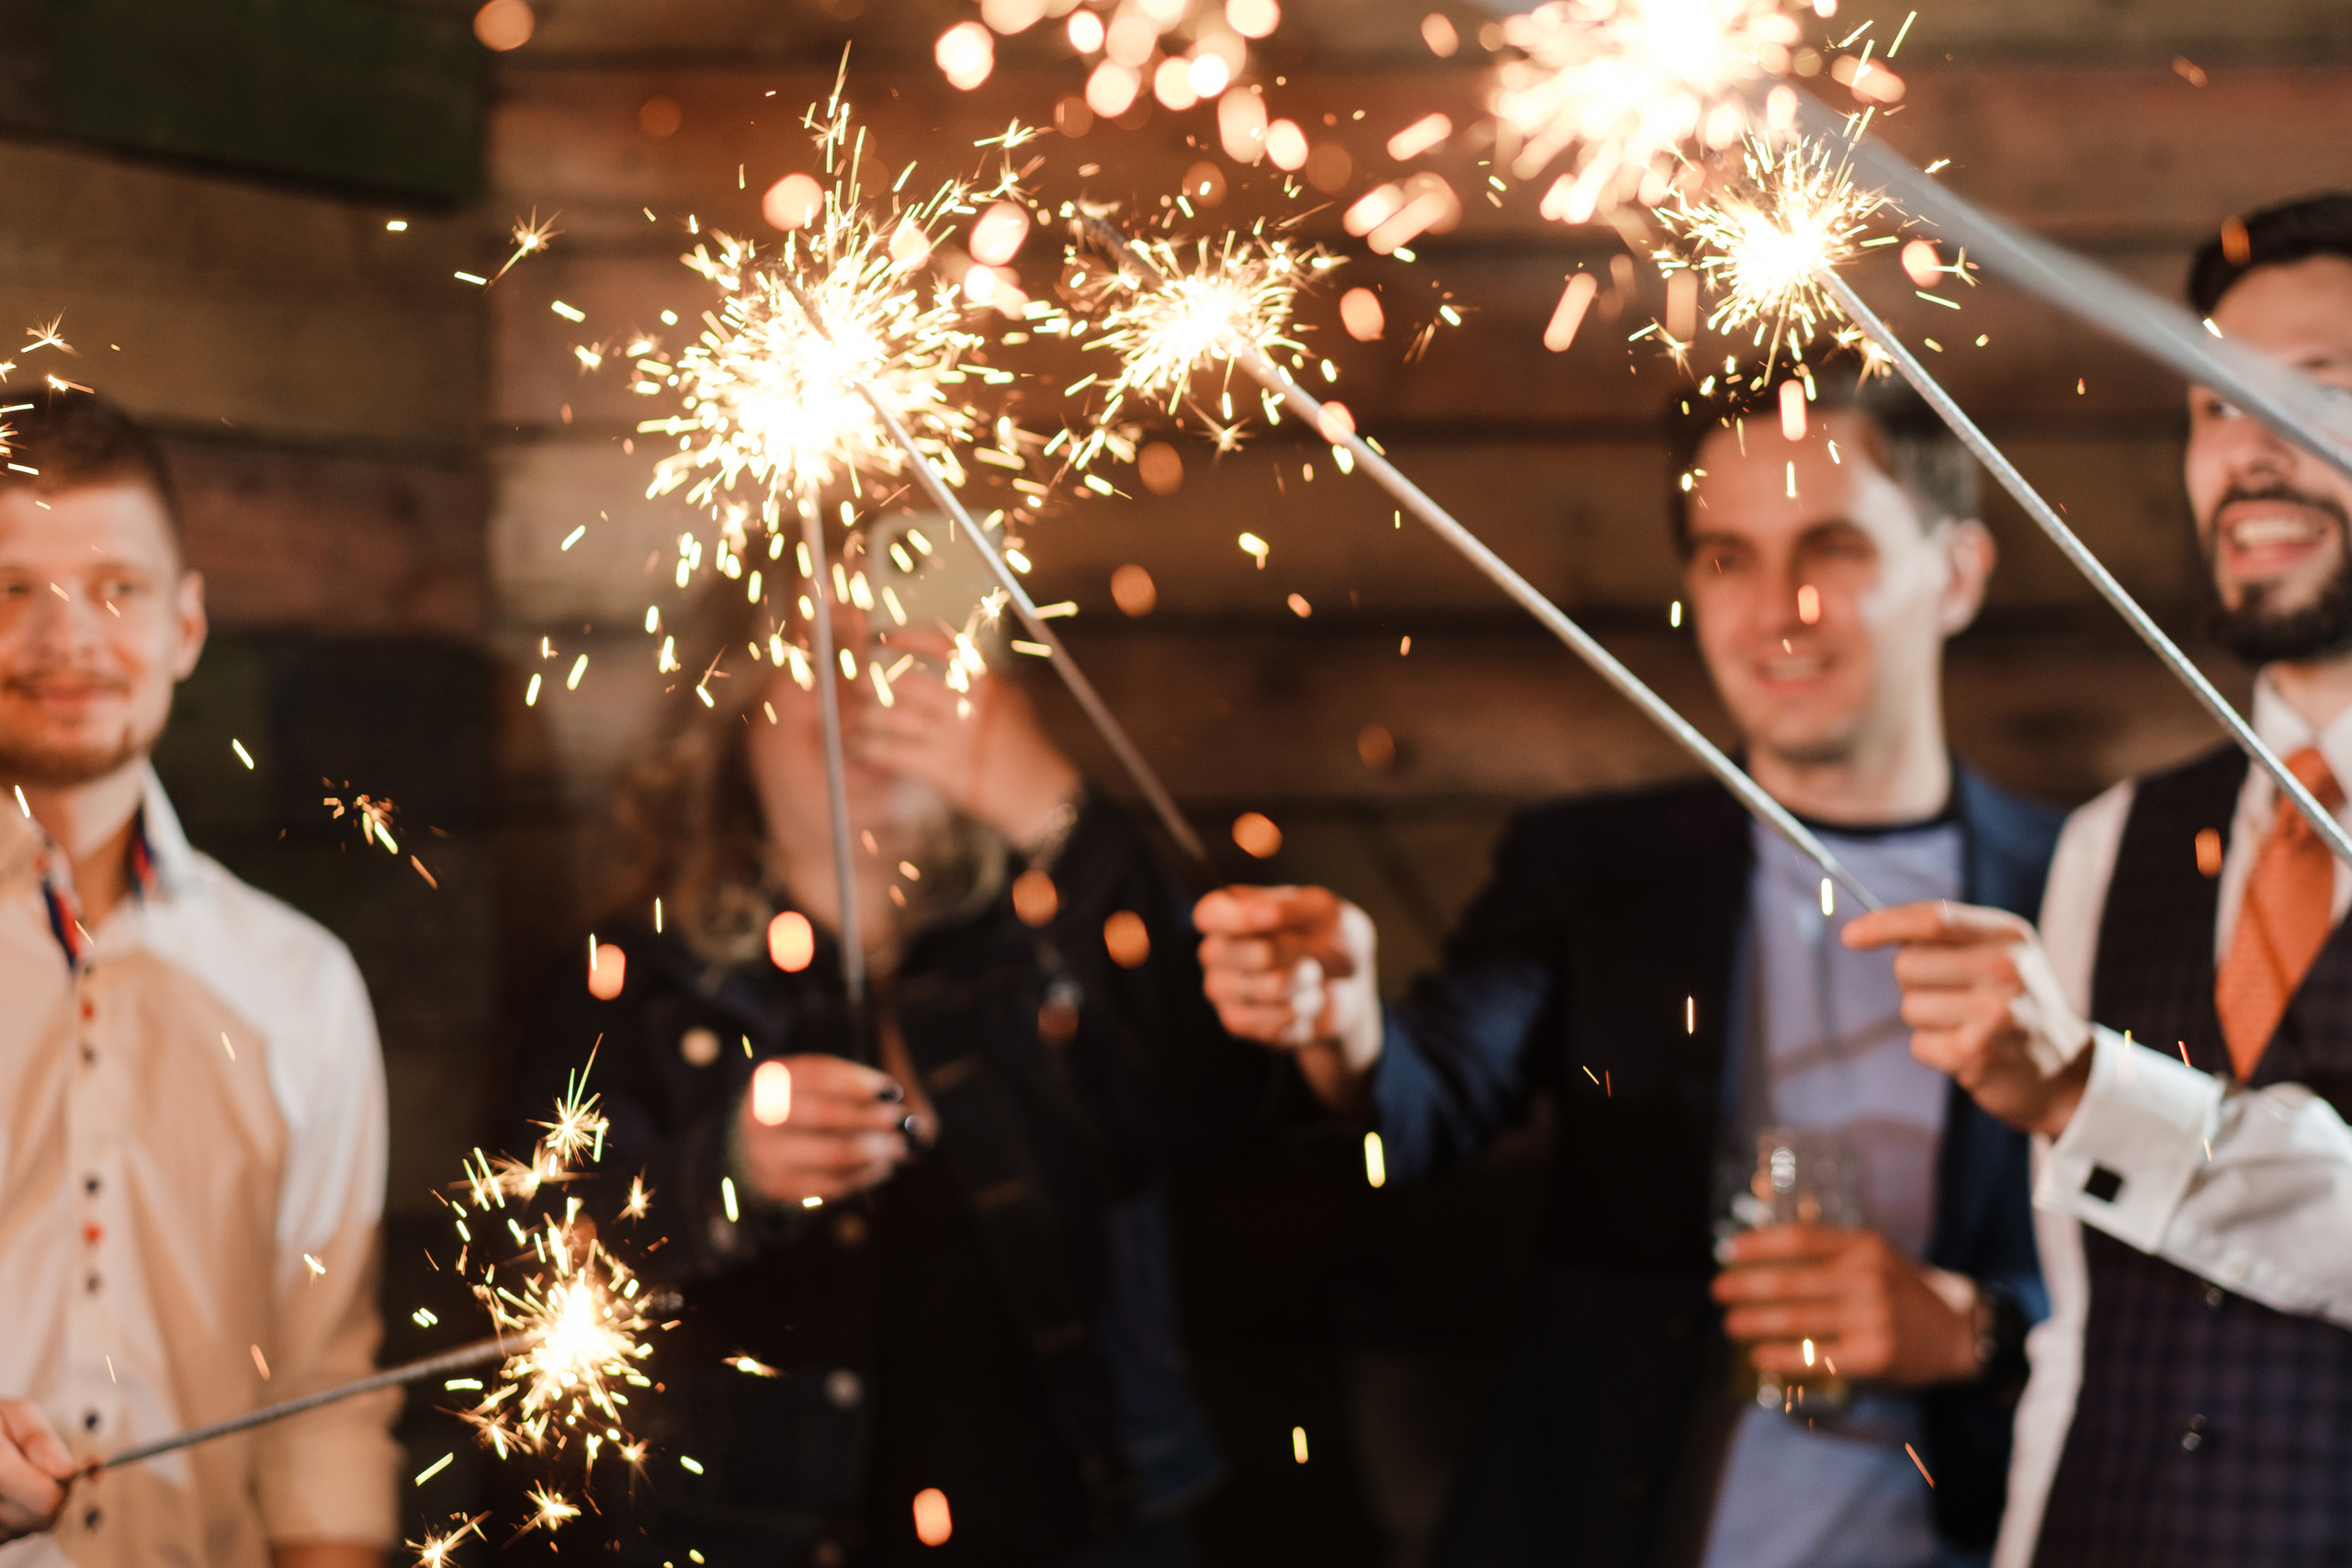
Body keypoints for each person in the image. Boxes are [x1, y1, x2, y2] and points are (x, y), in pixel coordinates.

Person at [1195, 363, 2059, 1568]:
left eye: (1833, 547)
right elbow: (1428, 1097)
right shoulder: (1594, 867)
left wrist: (1978, 1333)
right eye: (1725, 557)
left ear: (1956, 573)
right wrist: (1335, 1024)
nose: (1776, 609)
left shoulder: (2078, 883)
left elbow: (2174, 1264)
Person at [507, 547, 1273, 1568]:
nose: (874, 693)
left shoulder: (1062, 944)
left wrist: (1058, 815)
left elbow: (1225, 1093)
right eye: (827, 654)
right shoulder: (637, 982)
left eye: (912, 651)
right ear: (737, 703)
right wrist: (727, 1172)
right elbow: (538, 1265)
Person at [1848, 194, 2352, 1567]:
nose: (2248, 453)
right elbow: (2078, 1330)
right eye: (2212, 407)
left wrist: (2088, 1088)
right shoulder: (2111, 839)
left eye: (2318, 390)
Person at [0, 390, 400, 1567]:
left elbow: (328, 1390)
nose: (70, 639)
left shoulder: (302, 987)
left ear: (185, 625)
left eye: (116, 589)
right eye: (12, 590)